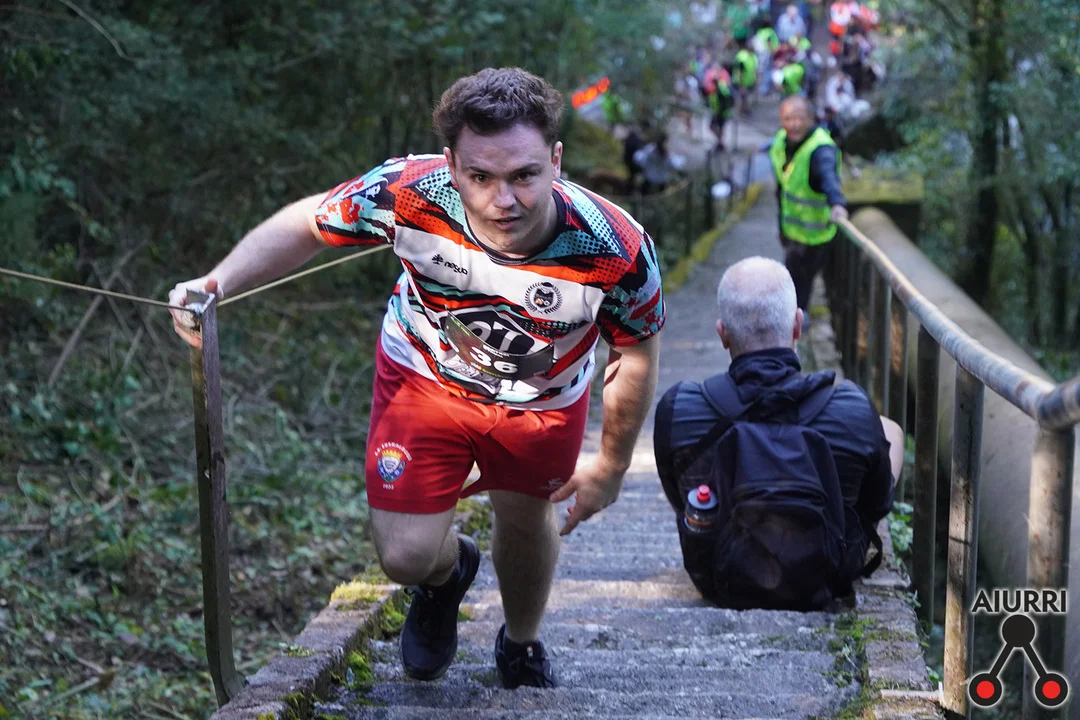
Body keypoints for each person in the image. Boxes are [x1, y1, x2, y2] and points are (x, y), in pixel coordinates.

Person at [168, 67, 664, 689]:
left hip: (542, 401)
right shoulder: (409, 193)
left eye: (524, 176)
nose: (503, 201)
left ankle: (520, 642)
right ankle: (446, 576)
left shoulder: (615, 249)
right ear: (450, 164)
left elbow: (635, 352)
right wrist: (217, 283)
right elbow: (307, 223)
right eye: (480, 177)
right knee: (403, 557)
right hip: (425, 380)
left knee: (524, 516)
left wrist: (612, 466)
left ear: (556, 161)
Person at [653, 256, 903, 607]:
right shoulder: (853, 408)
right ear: (798, 325)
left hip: (718, 578)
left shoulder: (679, 407)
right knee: (890, 430)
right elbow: (876, 504)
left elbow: (682, 502)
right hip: (829, 573)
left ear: (723, 334)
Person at [768, 95, 847, 320]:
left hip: (815, 235)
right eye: (788, 118)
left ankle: (797, 321)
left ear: (811, 119)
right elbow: (783, 187)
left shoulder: (820, 149)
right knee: (794, 279)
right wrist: (781, 226)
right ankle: (795, 318)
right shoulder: (782, 141)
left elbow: (829, 178)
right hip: (792, 229)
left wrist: (837, 203)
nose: (794, 124)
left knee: (800, 281)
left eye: (799, 118)